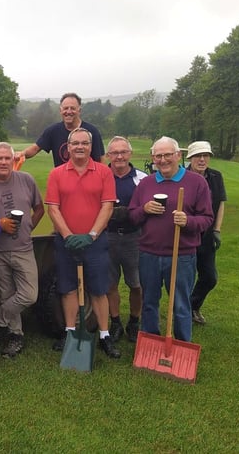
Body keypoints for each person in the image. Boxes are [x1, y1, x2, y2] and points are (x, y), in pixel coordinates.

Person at [128, 136, 213, 342]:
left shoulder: (196, 182)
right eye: (158, 156)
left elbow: (207, 218)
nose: (163, 160)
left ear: (178, 155)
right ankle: (151, 341)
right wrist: (144, 209)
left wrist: (188, 221)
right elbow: (132, 215)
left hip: (181, 256)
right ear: (153, 158)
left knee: (181, 304)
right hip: (149, 254)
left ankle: (183, 343)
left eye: (167, 155)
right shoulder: (146, 184)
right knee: (149, 302)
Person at [45, 127, 120, 359]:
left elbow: (107, 206)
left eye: (84, 143)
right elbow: (53, 208)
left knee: (99, 289)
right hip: (66, 242)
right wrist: (68, 236)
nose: (79, 147)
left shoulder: (103, 173)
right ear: (68, 147)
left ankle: (104, 335)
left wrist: (92, 234)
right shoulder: (56, 174)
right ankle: (69, 333)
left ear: (91, 147)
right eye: (75, 143)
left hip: (95, 242)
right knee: (67, 288)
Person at [0, 142, 44, 358]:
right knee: (7, 295)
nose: (4, 162)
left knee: (29, 295)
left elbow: (39, 208)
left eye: (8, 158)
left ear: (13, 160)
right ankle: (16, 335)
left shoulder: (26, 180)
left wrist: (28, 227)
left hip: (24, 248)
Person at [104, 136, 148, 343]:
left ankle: (134, 321)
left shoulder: (142, 178)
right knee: (110, 284)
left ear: (130, 154)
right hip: (107, 237)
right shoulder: (101, 175)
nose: (119, 156)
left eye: (123, 152)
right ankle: (115, 323)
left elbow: (149, 209)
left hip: (134, 237)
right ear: (108, 155)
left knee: (136, 284)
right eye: (114, 153)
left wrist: (131, 213)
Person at [186, 141, 227, 325]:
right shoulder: (182, 176)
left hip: (207, 235)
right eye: (197, 156)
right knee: (184, 279)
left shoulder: (216, 177)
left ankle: (191, 305)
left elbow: (221, 204)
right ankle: (182, 312)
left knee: (209, 277)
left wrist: (217, 230)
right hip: (187, 235)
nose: (202, 159)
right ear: (190, 158)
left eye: (205, 156)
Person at [16, 92, 105, 166]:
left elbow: (100, 160)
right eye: (66, 108)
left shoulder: (92, 132)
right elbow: (35, 148)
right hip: (62, 182)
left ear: (79, 110)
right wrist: (21, 154)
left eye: (72, 108)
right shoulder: (53, 131)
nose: (69, 112)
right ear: (60, 110)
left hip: (87, 183)